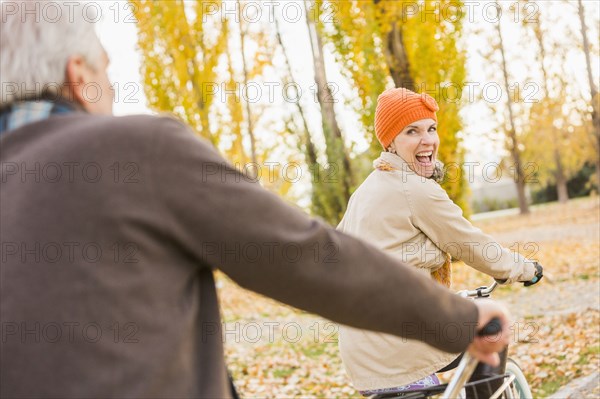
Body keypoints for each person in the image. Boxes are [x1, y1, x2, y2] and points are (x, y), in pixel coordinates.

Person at [1, 4, 510, 398]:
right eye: (107, 70)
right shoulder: (131, 152)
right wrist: (462, 320)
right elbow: (302, 255)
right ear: (79, 77)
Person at [337, 87, 543, 397]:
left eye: (431, 128)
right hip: (401, 342)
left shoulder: (365, 192)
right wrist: (522, 269)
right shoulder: (415, 189)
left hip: (362, 350)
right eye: (412, 131)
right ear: (390, 141)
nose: (428, 140)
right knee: (492, 330)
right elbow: (471, 245)